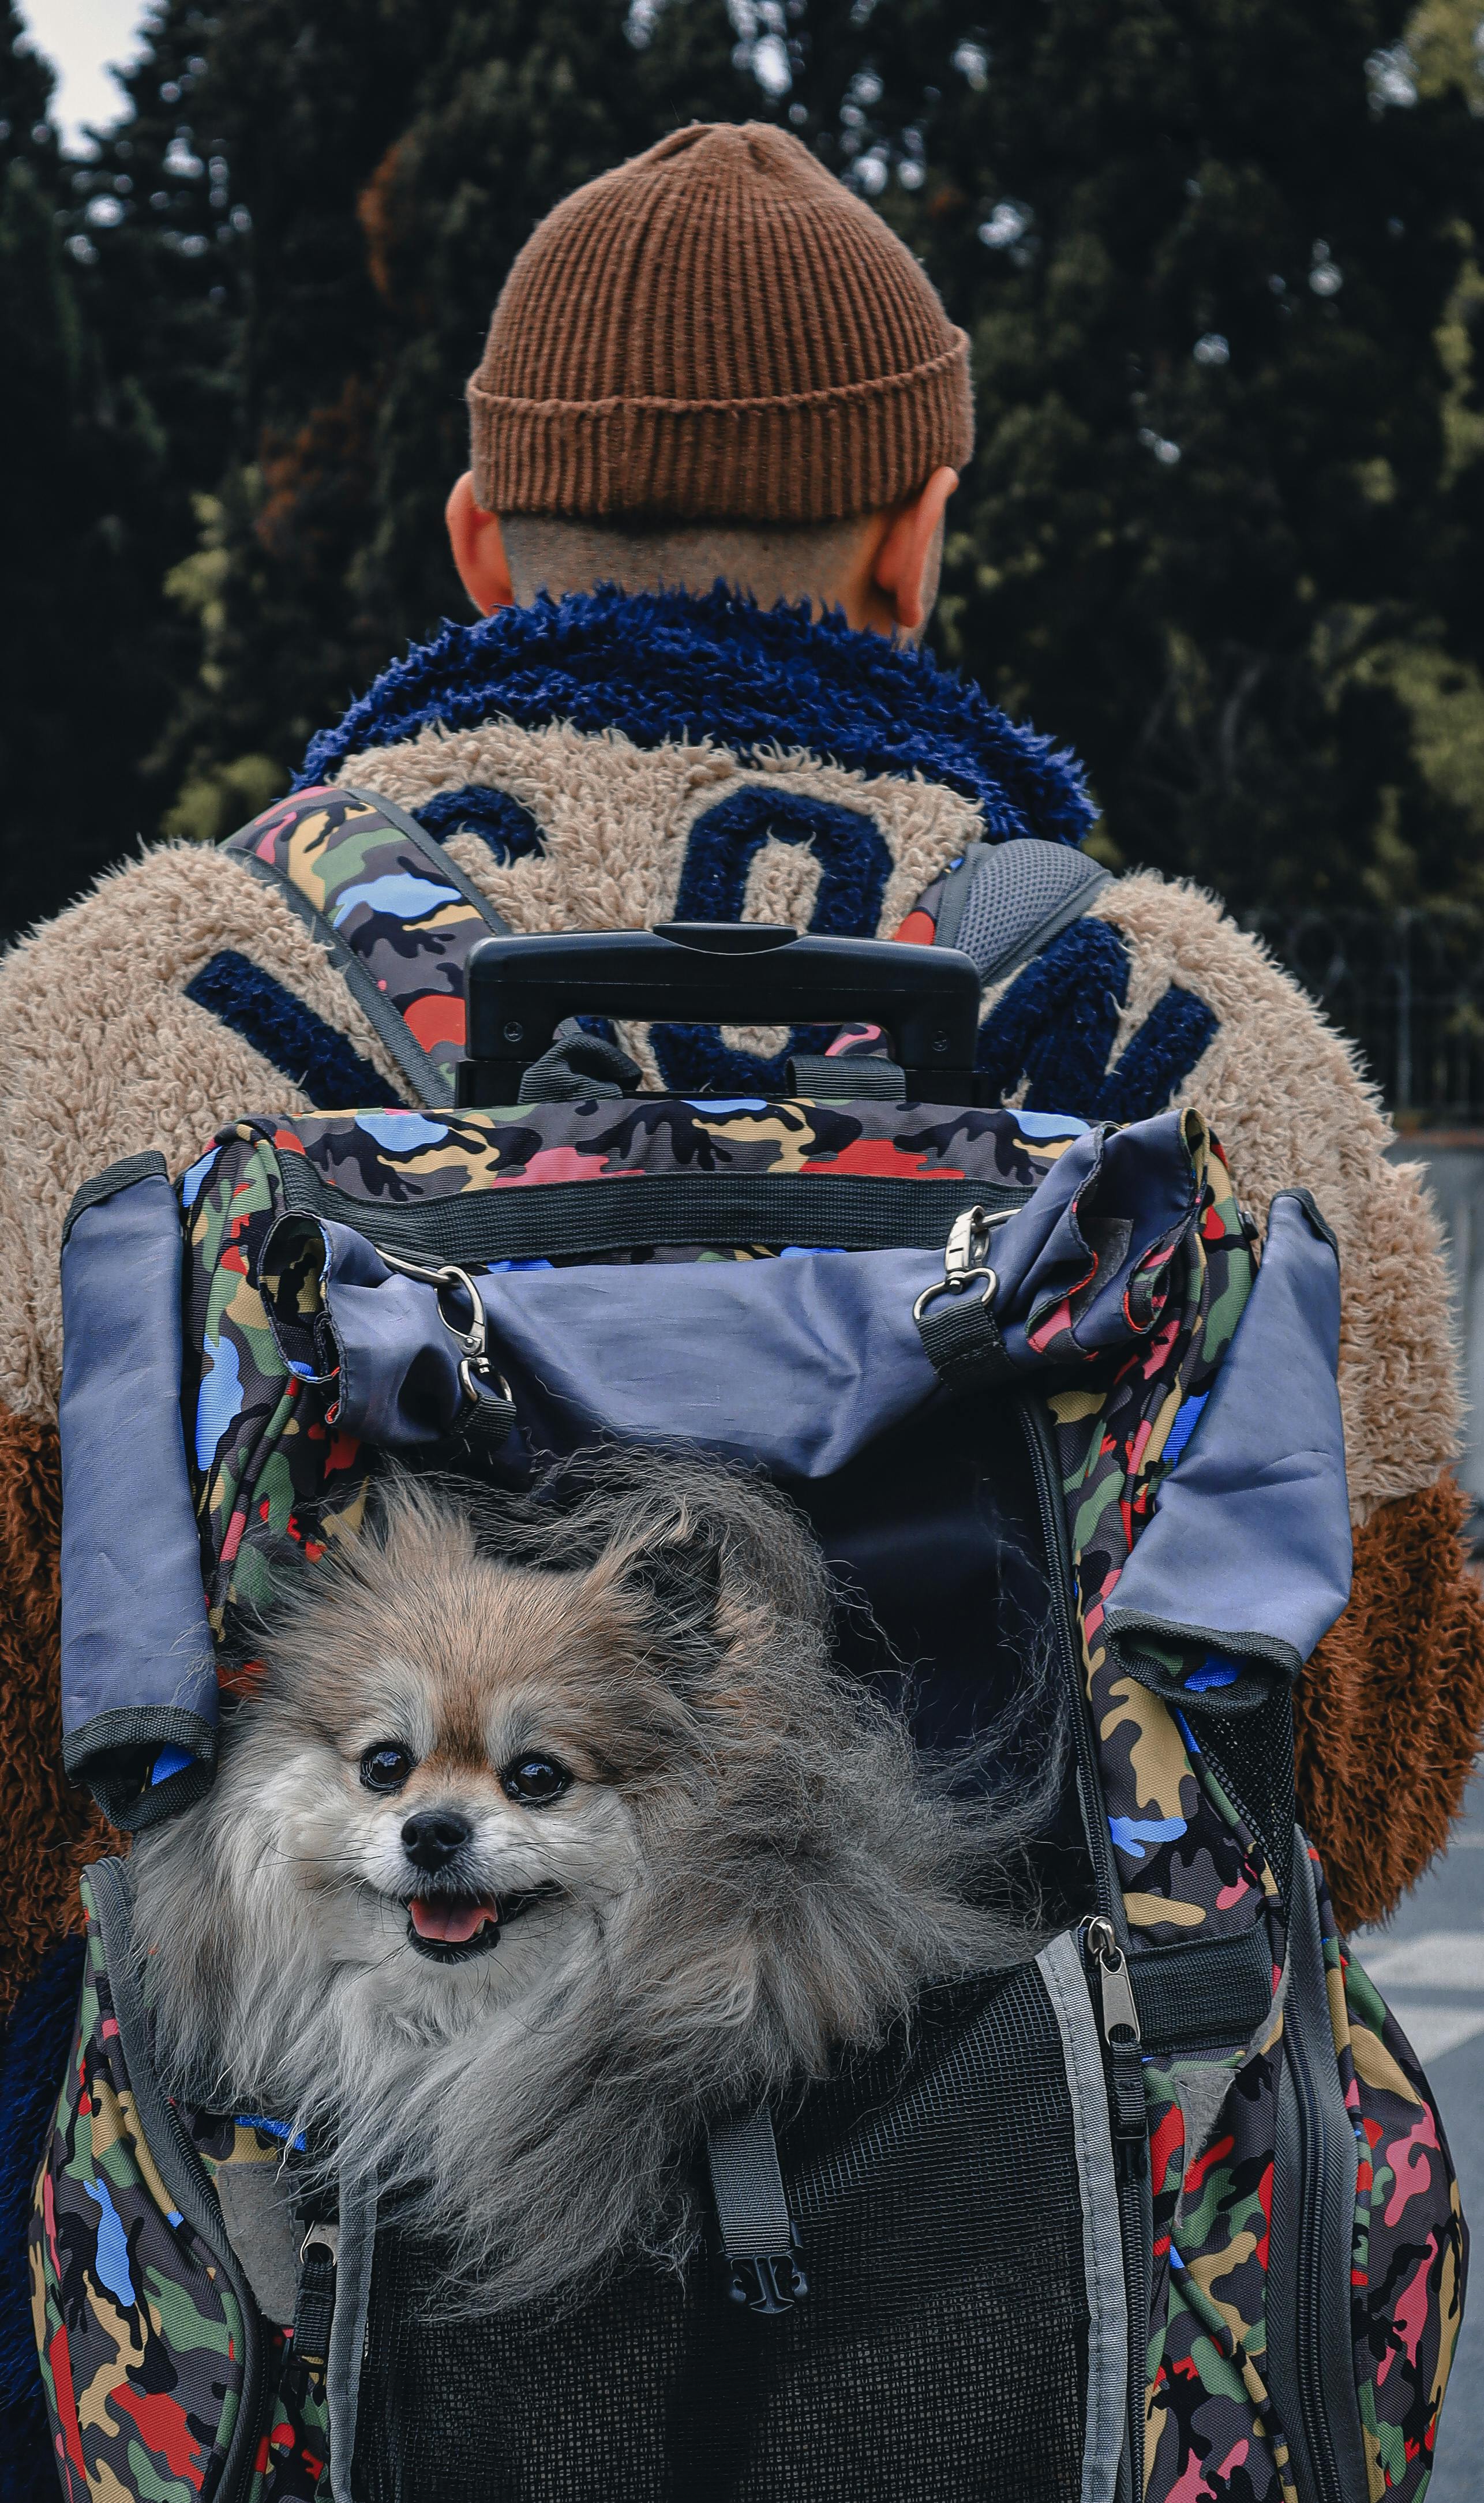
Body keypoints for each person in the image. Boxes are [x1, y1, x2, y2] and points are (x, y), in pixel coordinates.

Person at [0, 121, 1477, 2019]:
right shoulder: (1218, 1046)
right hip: (1029, 2238)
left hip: (281, 2262)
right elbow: (1366, 1777)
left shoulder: (99, 1017)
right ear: (915, 537)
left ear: (475, 543)